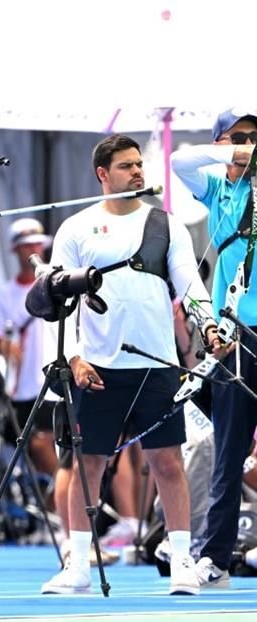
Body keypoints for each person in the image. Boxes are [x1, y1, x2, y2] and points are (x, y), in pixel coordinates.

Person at [40, 134, 215, 596]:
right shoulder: (75, 229)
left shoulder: (166, 225)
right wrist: (72, 359)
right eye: (126, 166)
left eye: (139, 164)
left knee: (168, 464)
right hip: (97, 368)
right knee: (89, 466)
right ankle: (78, 565)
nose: (137, 172)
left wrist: (209, 325)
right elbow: (57, 301)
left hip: (157, 364)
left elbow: (191, 286)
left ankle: (182, 561)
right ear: (103, 174)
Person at [172, 108, 257, 588]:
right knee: (228, 452)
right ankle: (217, 560)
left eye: (254, 138)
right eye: (237, 137)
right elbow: (181, 160)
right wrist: (232, 152)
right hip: (237, 337)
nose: (248, 146)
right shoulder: (219, 187)